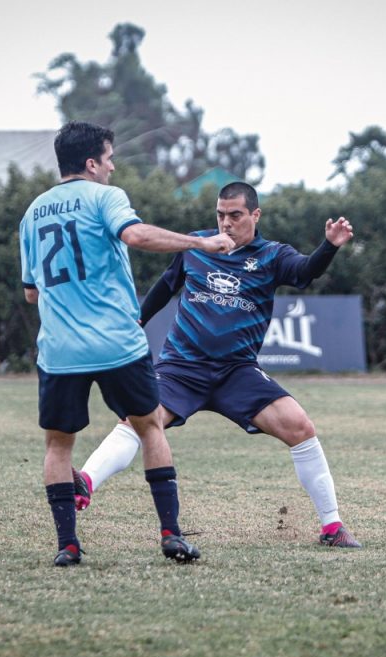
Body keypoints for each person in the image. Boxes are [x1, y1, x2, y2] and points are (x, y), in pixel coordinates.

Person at [74, 182, 361, 548]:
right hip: (182, 367)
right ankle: (85, 482)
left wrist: (329, 246)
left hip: (236, 372)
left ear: (255, 215)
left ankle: (332, 526)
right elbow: (167, 284)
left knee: (300, 426)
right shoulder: (197, 245)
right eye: (221, 215)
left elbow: (305, 272)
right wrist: (139, 320)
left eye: (235, 215)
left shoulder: (272, 255)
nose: (226, 223)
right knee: (138, 420)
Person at [19, 121, 234, 566]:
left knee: (58, 445)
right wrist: (202, 244)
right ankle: (171, 535)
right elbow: (135, 235)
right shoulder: (106, 197)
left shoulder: (32, 212)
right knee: (150, 427)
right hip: (116, 342)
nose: (113, 167)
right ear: (91, 163)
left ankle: (67, 546)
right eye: (109, 158)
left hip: (60, 349)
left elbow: (31, 293)